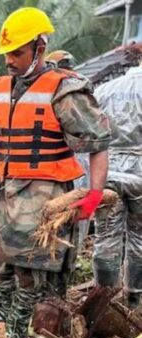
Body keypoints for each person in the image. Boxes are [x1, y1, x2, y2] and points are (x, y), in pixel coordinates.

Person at [0, 7, 111, 338]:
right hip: (1, 187)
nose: (9, 60)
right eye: (6, 53)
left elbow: (99, 144)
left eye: (17, 52)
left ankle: (19, 328)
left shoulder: (63, 90)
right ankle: (2, 318)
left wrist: (93, 195)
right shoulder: (0, 89)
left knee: (30, 266)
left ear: (40, 47)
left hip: (43, 191)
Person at [92, 65, 142, 308]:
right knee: (139, 238)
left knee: (105, 236)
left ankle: (104, 299)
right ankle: (134, 297)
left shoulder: (104, 90)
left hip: (107, 171)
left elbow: (92, 132)